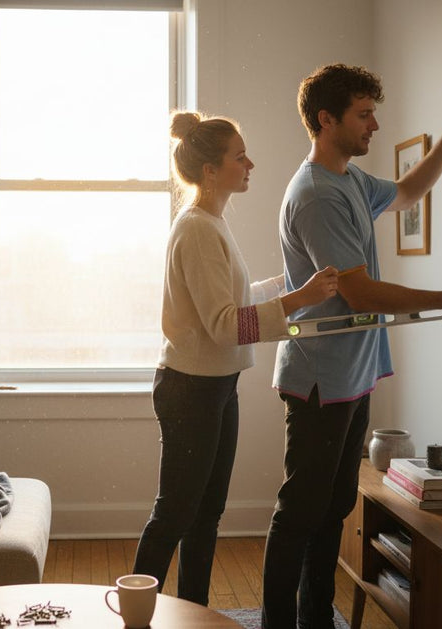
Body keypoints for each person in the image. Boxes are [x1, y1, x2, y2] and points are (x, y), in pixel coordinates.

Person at [262, 64, 442, 629]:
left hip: (355, 372)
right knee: (302, 511)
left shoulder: (348, 178)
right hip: (322, 377)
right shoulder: (317, 194)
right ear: (326, 119)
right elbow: (359, 290)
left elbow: (410, 190)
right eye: (364, 114)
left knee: (334, 508)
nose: (375, 125)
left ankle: (314, 617)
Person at [133, 111, 340, 606]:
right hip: (192, 389)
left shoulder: (212, 224)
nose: (251, 163)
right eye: (239, 156)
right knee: (177, 515)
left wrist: (296, 289)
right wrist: (297, 299)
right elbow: (226, 327)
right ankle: (136, 615)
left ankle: (191, 614)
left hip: (215, 386)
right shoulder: (199, 231)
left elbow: (237, 299)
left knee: (204, 515)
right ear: (210, 170)